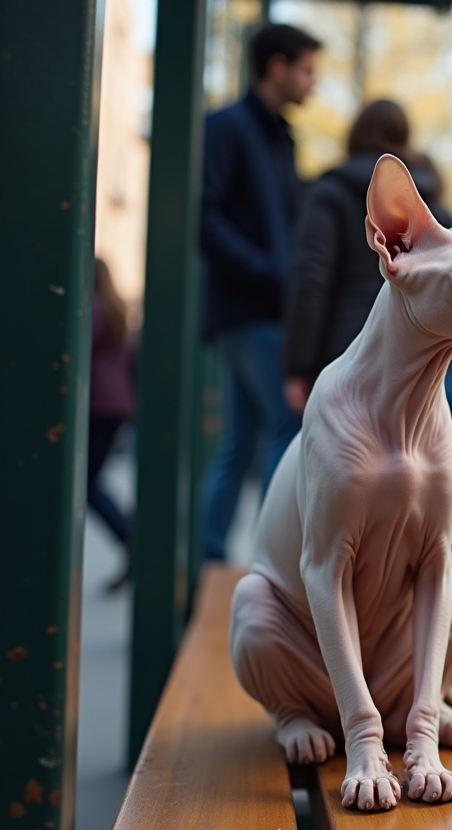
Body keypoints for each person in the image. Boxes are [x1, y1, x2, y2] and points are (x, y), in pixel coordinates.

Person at [281, 99, 452, 595]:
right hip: (440, 366)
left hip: (357, 366)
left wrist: (299, 366)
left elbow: (312, 281)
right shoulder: (435, 202)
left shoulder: (329, 193)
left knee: (310, 480)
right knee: (446, 507)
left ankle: (291, 583)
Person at [198, 22, 320, 561]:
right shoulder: (227, 128)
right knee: (286, 429)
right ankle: (270, 563)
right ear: (278, 66)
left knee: (240, 443)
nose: (312, 83)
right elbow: (205, 217)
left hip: (259, 309)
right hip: (250, 310)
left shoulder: (279, 137)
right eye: (307, 70)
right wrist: (270, 271)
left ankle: (210, 557)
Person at [88, 258, 135, 591]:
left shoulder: (94, 311)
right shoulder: (115, 309)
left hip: (98, 404)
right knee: (91, 481)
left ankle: (131, 538)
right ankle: (130, 539)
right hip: (114, 404)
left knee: (87, 484)